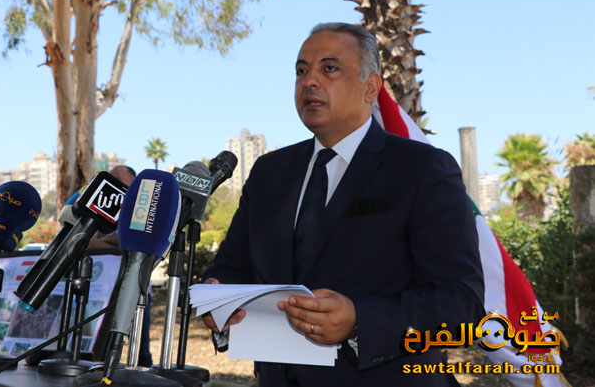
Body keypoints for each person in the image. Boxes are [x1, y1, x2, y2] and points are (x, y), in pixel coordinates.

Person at [201, 23, 485, 386]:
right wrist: (219, 297)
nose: (309, 81)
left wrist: (359, 321)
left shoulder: (422, 169)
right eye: (301, 71)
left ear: (371, 87)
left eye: (329, 68)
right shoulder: (269, 173)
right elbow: (232, 267)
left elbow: (461, 303)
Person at [87, 165, 153, 367]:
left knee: (140, 348)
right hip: (102, 292)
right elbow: (88, 242)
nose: (114, 185)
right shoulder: (101, 207)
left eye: (120, 181)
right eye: (111, 179)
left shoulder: (143, 209)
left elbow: (138, 239)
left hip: (138, 289)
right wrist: (116, 242)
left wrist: (108, 241)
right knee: (102, 347)